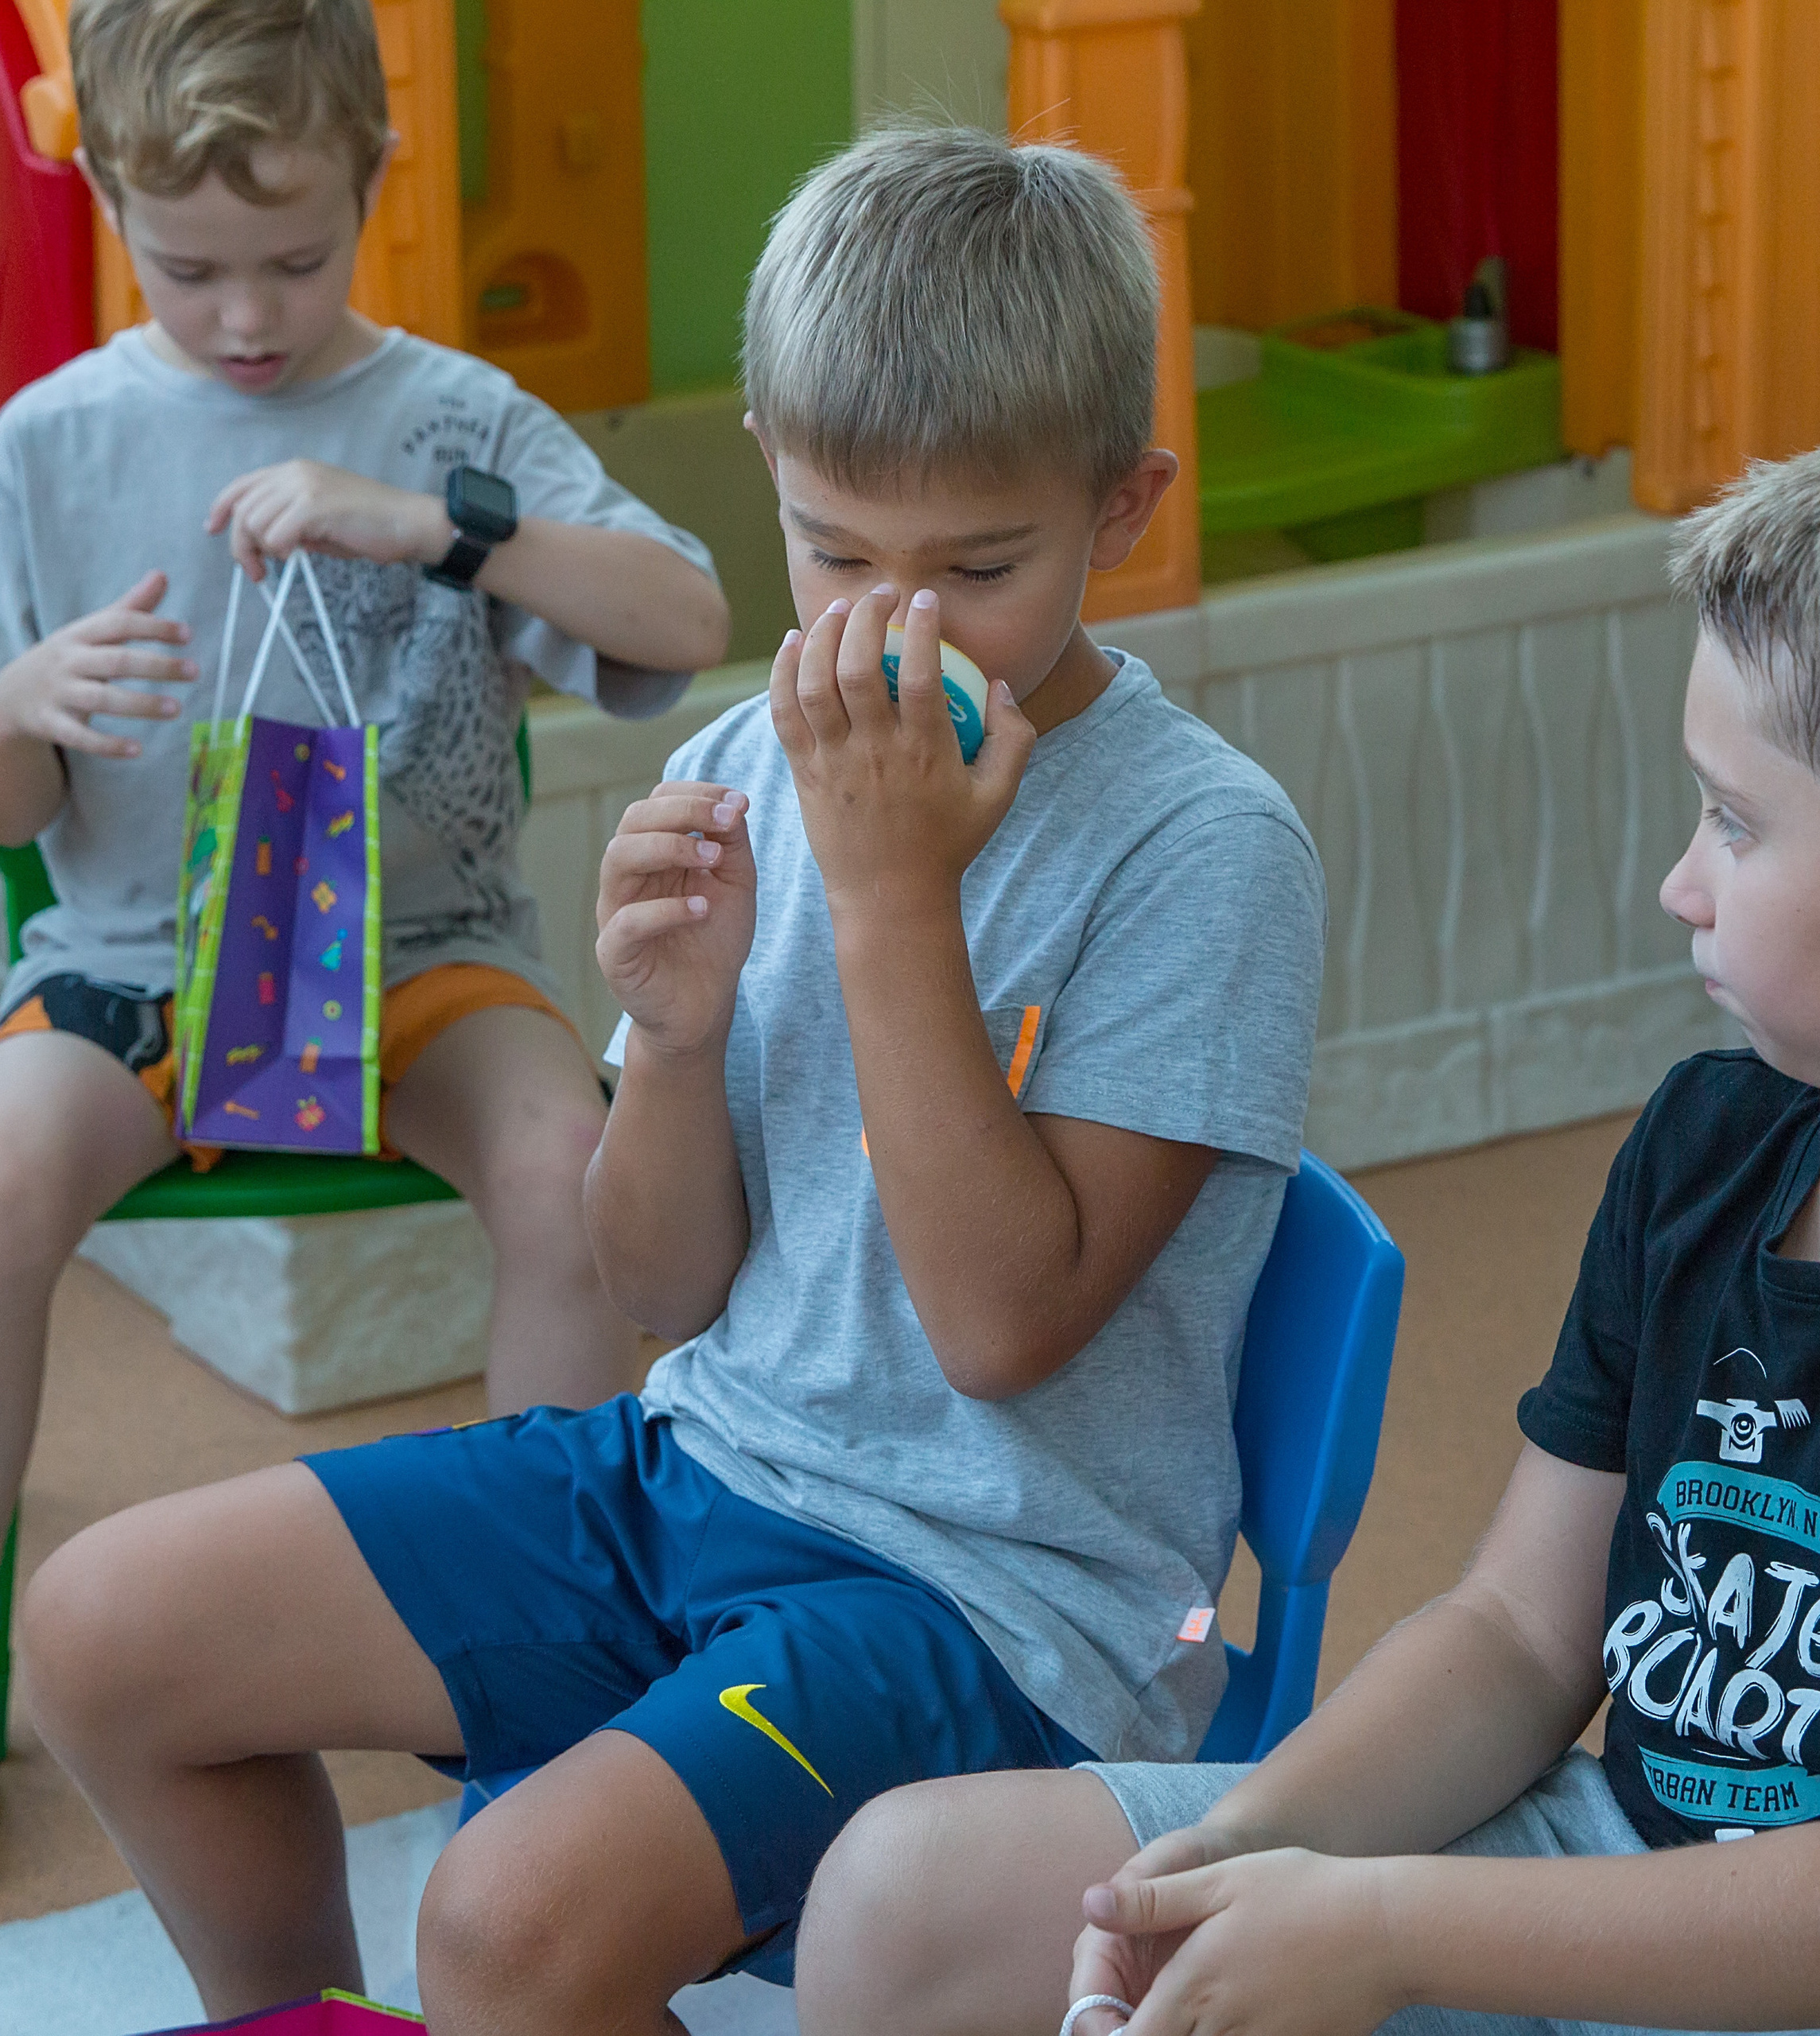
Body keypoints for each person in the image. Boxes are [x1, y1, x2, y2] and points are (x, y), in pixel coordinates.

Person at [18, 125, 1327, 2034]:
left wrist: (886, 896)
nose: (888, 627)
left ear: (1119, 506)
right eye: (833, 549)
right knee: (101, 1632)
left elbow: (994, 1329)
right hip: (695, 1461)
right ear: (771, 473)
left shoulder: (1202, 846)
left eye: (977, 565)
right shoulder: (738, 754)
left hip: (988, 1596)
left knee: (503, 1924)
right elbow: (654, 1287)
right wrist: (683, 1038)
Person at [790, 388, 1820, 2036]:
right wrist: (1233, 1855)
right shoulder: (1711, 1139)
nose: (1679, 882)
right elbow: (1519, 1635)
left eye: (1734, 824)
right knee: (902, 1905)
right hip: (1607, 1867)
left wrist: (1386, 1926)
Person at [0, 0, 729, 1500]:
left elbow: (687, 617)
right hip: (131, 974)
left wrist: (436, 529)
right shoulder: (44, 446)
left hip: (422, 962)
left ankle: (539, 1595)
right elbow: (18, 816)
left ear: (375, 179)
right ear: (111, 201)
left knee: (569, 1172)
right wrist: (19, 706)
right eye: (190, 270)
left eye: (296, 261)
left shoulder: (458, 421)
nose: (247, 319)